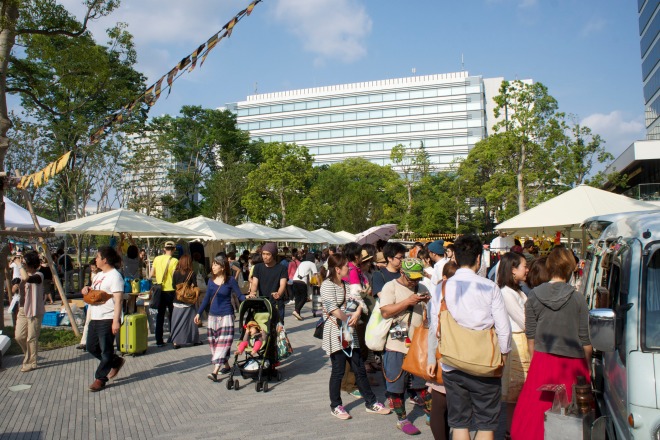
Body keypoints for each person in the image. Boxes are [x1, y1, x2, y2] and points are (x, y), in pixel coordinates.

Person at [510, 247, 592, 440]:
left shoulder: (534, 295)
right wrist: (588, 369)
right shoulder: (578, 298)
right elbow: (585, 339)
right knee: (573, 418)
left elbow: (531, 335)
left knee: (536, 413)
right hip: (574, 363)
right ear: (570, 268)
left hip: (542, 359)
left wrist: (533, 361)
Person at [441, 235, 511, 440]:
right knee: (486, 423)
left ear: (454, 258)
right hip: (485, 362)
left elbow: (436, 327)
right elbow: (503, 329)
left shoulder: (443, 287)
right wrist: (504, 355)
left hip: (452, 361)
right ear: (479, 259)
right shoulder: (490, 287)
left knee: (460, 423)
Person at [321, 253, 391, 420]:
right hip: (335, 332)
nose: (349, 268)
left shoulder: (345, 285)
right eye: (346, 266)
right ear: (337, 269)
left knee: (359, 367)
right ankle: (336, 405)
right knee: (338, 370)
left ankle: (371, 402)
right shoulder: (327, 285)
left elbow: (358, 301)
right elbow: (331, 308)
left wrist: (357, 313)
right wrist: (348, 319)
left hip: (349, 332)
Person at [379, 258, 431, 435]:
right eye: (411, 279)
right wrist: (408, 302)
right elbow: (385, 312)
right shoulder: (390, 287)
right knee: (396, 386)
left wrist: (429, 304)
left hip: (418, 345)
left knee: (422, 385)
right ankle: (402, 420)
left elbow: (428, 314)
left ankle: (431, 413)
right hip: (396, 343)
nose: (415, 282)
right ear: (402, 273)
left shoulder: (422, 288)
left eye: (417, 278)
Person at [195, 254, 245, 381]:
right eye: (213, 264)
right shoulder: (211, 281)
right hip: (213, 317)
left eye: (216, 264)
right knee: (215, 343)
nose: (213, 267)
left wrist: (249, 300)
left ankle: (215, 372)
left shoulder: (230, 280)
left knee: (223, 343)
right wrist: (198, 313)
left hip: (227, 316)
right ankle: (227, 365)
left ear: (222, 267)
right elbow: (206, 299)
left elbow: (239, 296)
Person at [82, 246, 125, 391]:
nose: (96, 259)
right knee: (91, 347)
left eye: (98, 257)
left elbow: (118, 300)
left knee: (106, 350)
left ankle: (100, 378)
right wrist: (86, 289)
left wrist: (116, 320)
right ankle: (115, 361)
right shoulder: (99, 275)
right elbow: (95, 293)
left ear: (104, 260)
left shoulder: (115, 276)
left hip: (108, 317)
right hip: (95, 316)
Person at [497, 252, 530, 437]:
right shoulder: (506, 293)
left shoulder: (517, 290)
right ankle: (512, 431)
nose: (527, 269)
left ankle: (515, 429)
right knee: (514, 394)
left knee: (517, 396)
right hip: (517, 342)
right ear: (513, 269)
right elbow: (525, 321)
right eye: (523, 266)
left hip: (521, 341)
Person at [426, 260, 458, 440]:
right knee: (441, 406)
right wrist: (431, 358)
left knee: (442, 407)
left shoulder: (440, 293)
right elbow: (433, 330)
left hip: (447, 353)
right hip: (446, 353)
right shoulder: (438, 297)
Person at [15, 251, 46, 372]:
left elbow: (27, 278)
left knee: (31, 337)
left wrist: (19, 265)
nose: (24, 264)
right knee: (19, 336)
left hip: (34, 310)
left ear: (31, 264)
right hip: (22, 309)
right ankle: (30, 354)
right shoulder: (23, 274)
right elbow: (21, 282)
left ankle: (31, 362)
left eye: (25, 263)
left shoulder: (39, 275)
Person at [249, 242, 288, 326]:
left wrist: (279, 293)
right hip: (263, 302)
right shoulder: (258, 267)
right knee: (263, 328)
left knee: (278, 328)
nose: (265, 256)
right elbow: (254, 283)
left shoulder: (282, 268)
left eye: (268, 254)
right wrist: (252, 292)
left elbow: (282, 284)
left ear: (273, 255)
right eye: (263, 254)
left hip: (277, 303)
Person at [150, 241, 178, 347]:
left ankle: (159, 340)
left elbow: (151, 274)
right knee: (172, 315)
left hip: (159, 290)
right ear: (174, 249)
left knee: (160, 315)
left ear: (164, 249)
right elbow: (174, 275)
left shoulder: (157, 259)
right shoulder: (175, 261)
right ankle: (173, 337)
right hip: (171, 290)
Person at [170, 255, 200, 349]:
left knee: (176, 321)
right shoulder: (192, 273)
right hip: (188, 301)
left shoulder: (175, 273)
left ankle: (175, 341)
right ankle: (194, 339)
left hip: (177, 300)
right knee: (191, 322)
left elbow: (173, 285)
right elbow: (195, 285)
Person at [78, 259, 99, 351]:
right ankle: (83, 342)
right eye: (91, 267)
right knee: (88, 321)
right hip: (91, 301)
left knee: (96, 323)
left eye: (93, 267)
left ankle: (92, 342)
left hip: (98, 302)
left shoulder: (102, 275)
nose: (92, 269)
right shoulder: (93, 274)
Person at [290, 252, 318, 321]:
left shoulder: (302, 263)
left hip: (295, 280)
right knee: (304, 298)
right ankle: (296, 311)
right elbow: (315, 275)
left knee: (297, 298)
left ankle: (297, 314)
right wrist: (319, 284)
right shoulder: (312, 264)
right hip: (302, 282)